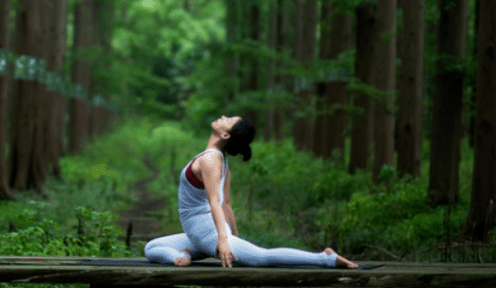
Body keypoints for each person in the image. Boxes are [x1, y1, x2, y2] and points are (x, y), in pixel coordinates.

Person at [144, 115, 358, 269]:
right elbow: (226, 204)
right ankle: (182, 255)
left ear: (226, 134)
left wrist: (225, 240)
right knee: (153, 247)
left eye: (228, 120)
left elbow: (216, 202)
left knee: (261, 258)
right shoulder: (217, 158)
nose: (222, 116)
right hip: (200, 232)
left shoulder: (211, 159)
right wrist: (234, 238)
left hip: (206, 230)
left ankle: (325, 258)